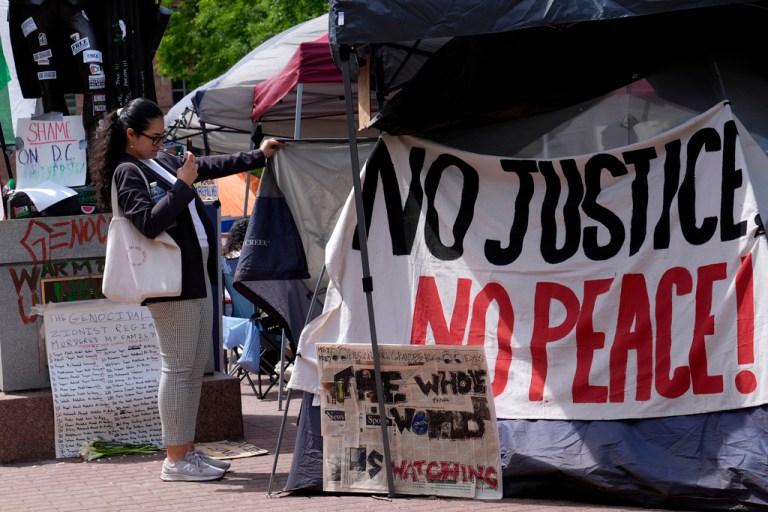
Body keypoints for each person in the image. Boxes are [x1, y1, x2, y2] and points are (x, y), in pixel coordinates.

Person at [89, 97, 286, 482]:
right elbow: (148, 223)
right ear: (131, 135)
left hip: (192, 273)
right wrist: (182, 186)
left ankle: (187, 451)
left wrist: (257, 155)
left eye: (164, 137)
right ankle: (176, 459)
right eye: (155, 137)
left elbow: (204, 167)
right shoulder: (127, 171)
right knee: (178, 367)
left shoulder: (154, 161)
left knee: (192, 366)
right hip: (167, 280)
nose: (161, 144)